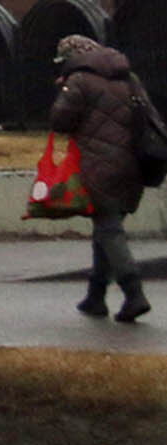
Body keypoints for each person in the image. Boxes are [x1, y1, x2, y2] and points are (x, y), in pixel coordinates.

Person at [49, 34, 158, 325]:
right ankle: (95, 296)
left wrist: (62, 93)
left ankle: (134, 294)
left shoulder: (80, 81)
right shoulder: (129, 77)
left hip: (98, 165)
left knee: (108, 228)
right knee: (107, 226)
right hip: (134, 163)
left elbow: (60, 121)